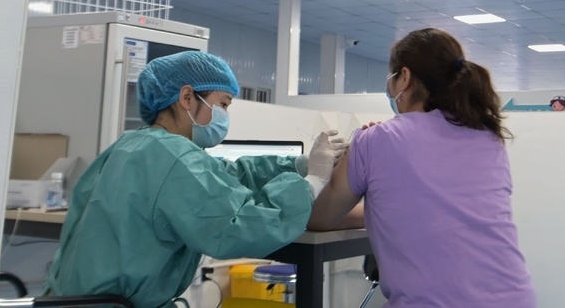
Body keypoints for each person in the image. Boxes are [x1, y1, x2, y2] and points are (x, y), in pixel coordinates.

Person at [45, 51, 344, 307]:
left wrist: (299, 165)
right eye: (223, 104)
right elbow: (240, 227)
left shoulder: (134, 145)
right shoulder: (173, 156)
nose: (225, 115)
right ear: (187, 97)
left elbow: (228, 176)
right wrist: (313, 182)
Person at [308, 28, 536, 308]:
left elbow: (319, 219)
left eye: (391, 77)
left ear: (404, 77)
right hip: (515, 298)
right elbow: (434, 209)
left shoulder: (377, 139)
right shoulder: (487, 138)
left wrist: (317, 173)